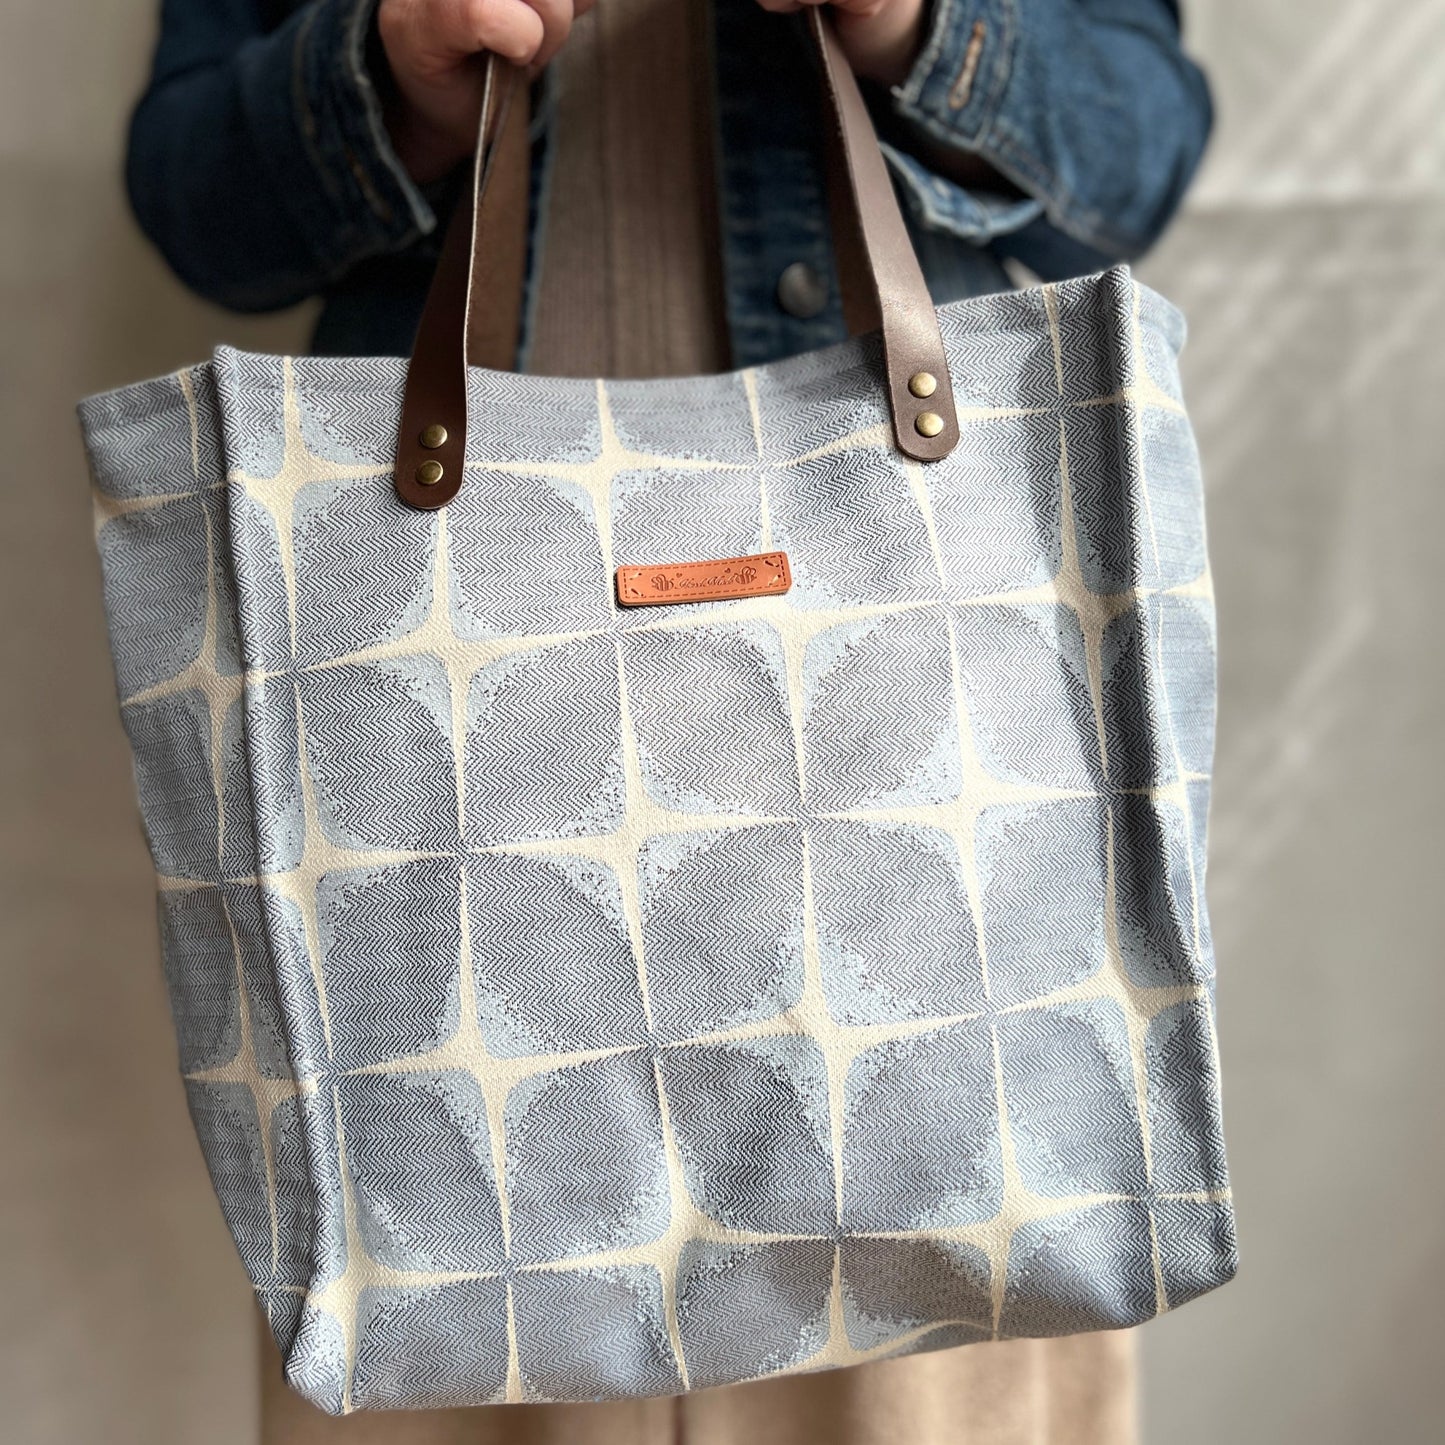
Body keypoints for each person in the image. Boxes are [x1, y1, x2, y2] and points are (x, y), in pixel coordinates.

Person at [126, 2, 1211, 1441]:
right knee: (419, 1307)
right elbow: (195, 196)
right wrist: (392, 73)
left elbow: (1138, 151)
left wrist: (916, 25)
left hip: (914, 725)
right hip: (444, 707)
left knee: (953, 1333)